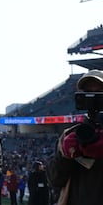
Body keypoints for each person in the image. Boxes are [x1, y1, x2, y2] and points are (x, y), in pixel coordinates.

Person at [46, 70, 103, 204]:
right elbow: (55, 180)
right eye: (87, 91)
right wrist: (66, 156)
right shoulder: (70, 135)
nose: (92, 97)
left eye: (99, 92)